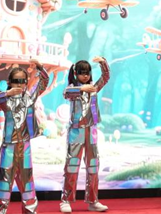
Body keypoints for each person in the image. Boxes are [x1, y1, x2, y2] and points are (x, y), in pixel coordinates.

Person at [0, 59, 49, 214]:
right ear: (9, 82)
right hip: (8, 146)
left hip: (25, 147)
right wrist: (7, 93)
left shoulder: (29, 98)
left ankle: (30, 211)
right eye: (16, 81)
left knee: (27, 183)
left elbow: (43, 82)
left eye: (22, 81)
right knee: (2, 182)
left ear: (26, 82)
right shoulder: (4, 99)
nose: (19, 84)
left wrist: (40, 67)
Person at [60, 57, 111, 213]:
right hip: (76, 131)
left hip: (92, 131)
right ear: (75, 74)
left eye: (87, 72)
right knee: (71, 166)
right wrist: (82, 89)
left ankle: (93, 201)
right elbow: (66, 93)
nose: (85, 76)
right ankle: (66, 200)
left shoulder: (94, 88)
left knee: (93, 167)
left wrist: (102, 63)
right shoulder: (72, 89)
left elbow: (106, 77)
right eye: (82, 73)